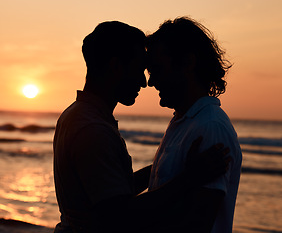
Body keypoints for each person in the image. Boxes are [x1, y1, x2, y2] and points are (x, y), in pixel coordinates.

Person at [53, 21, 230, 233]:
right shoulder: (93, 129)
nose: (146, 82)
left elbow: (114, 190)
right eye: (140, 70)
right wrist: (187, 178)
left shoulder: (79, 116)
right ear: (116, 66)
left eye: (154, 70)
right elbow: (120, 214)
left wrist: (176, 172)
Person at [146, 17, 242, 233]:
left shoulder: (210, 127)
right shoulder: (182, 122)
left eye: (157, 70)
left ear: (188, 63)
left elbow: (198, 224)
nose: (151, 82)